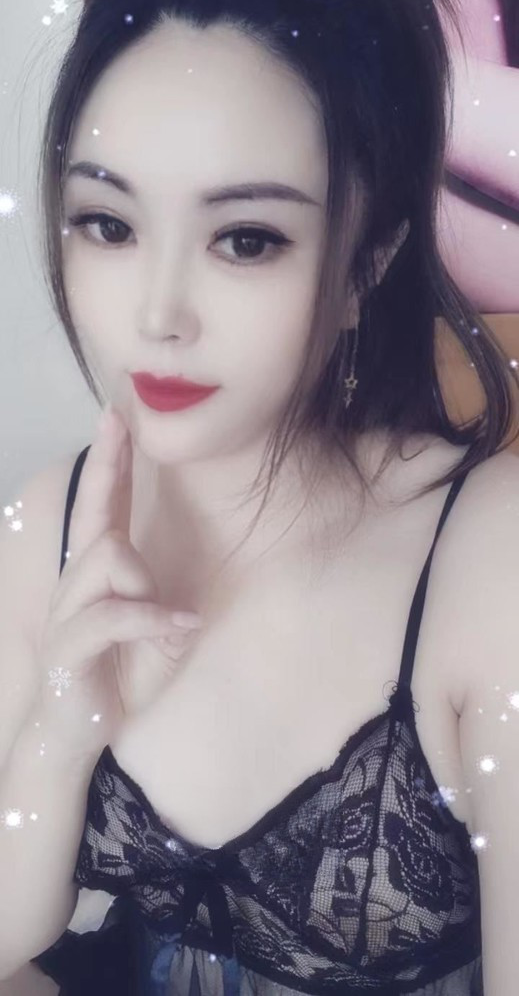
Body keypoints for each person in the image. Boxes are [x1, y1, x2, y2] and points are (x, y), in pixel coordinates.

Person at [1, 1, 519, 994]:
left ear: (368, 260)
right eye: (108, 224)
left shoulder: (490, 564)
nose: (157, 314)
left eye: (244, 240)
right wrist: (57, 740)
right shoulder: (52, 529)